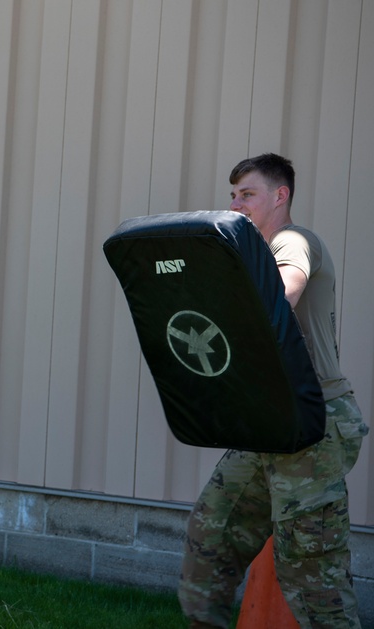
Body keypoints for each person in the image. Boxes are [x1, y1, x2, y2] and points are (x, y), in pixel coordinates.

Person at [178, 153, 369, 628]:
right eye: (233, 195)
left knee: (310, 569)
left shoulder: (291, 240)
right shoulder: (248, 255)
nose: (236, 203)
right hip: (264, 419)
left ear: (280, 196)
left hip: (313, 423)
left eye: (248, 194)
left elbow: (287, 289)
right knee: (212, 533)